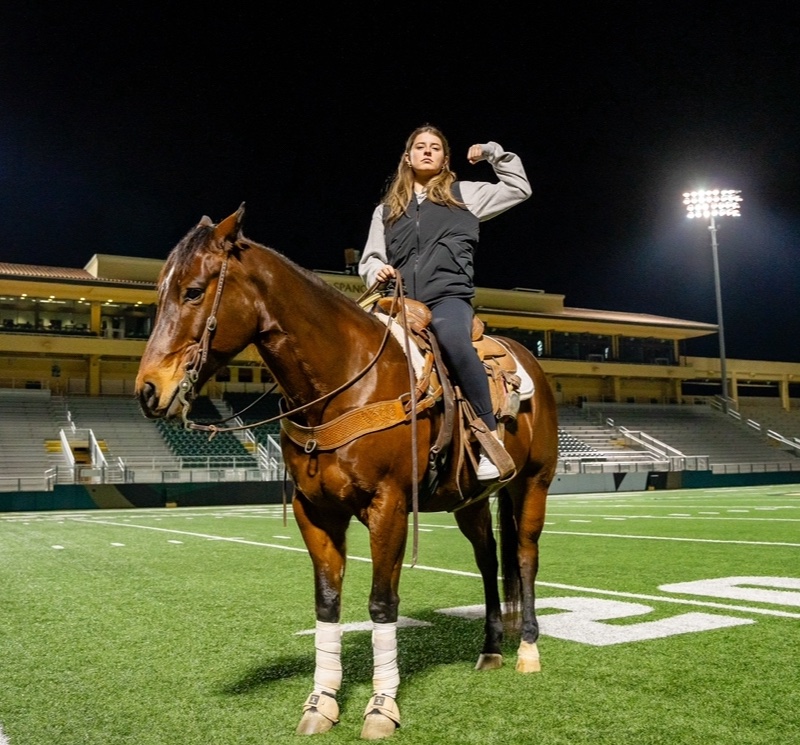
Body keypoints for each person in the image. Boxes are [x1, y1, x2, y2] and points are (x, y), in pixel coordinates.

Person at [359, 124, 531, 480]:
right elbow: (371, 258)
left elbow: (519, 188)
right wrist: (375, 270)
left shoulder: (464, 194)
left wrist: (491, 152)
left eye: (434, 147)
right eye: (419, 147)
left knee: (453, 340)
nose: (426, 151)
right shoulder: (386, 210)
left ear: (444, 158)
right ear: (407, 157)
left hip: (448, 298)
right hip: (397, 303)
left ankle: (488, 439)